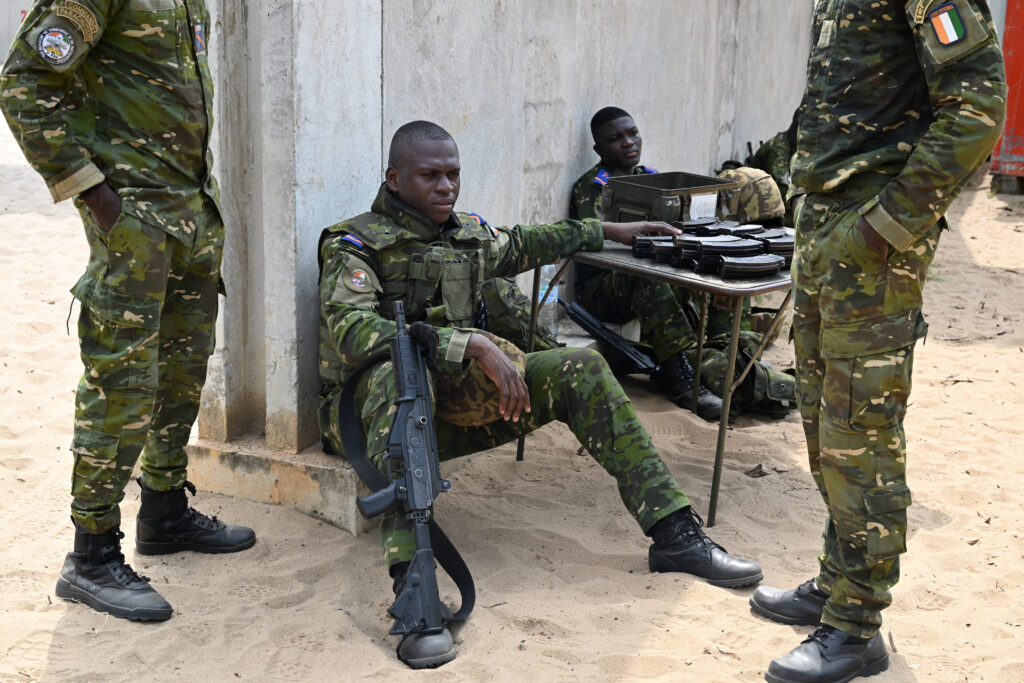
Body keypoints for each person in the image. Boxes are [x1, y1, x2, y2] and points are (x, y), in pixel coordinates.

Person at [318, 120, 763, 669]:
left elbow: (532, 240)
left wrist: (613, 230)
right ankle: (416, 596)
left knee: (582, 366)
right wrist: (467, 343)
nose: (445, 186)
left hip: (448, 409)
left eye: (453, 174)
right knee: (401, 373)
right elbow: (352, 330)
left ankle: (675, 533)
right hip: (367, 418)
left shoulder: (467, 235)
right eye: (430, 176)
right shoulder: (353, 244)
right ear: (394, 178)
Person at [750, 3, 1006, 682]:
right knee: (822, 422)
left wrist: (884, 227)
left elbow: (978, 110)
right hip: (826, 229)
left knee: (860, 429)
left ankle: (857, 625)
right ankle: (837, 582)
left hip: (871, 243)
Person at [1, 0, 256, 622]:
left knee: (181, 374)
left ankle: (165, 512)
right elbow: (24, 84)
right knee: (122, 384)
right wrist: (95, 196)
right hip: (135, 222)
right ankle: (90, 556)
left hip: (192, 216)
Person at [568, 107, 723, 420]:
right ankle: (680, 378)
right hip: (602, 290)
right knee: (646, 276)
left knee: (708, 263)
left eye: (632, 133)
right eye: (615, 139)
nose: (628, 143)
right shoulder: (594, 188)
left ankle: (719, 354)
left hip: (643, 276)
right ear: (599, 149)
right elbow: (600, 247)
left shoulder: (652, 179)